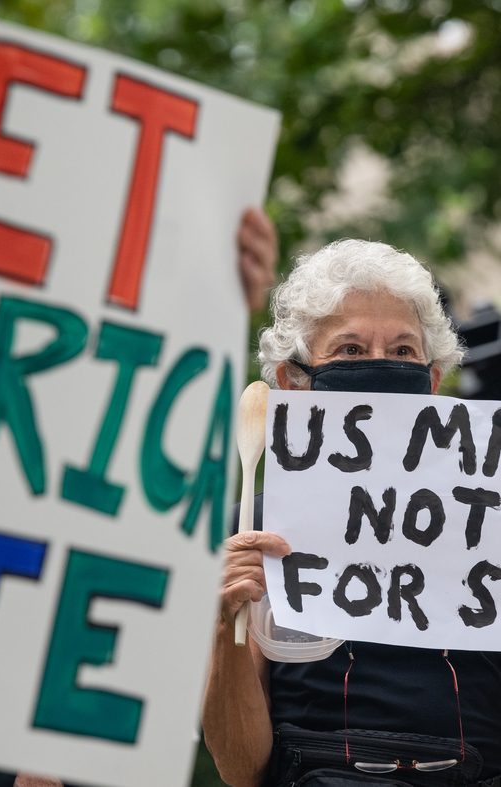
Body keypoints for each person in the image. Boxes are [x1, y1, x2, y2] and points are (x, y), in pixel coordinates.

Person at [202, 238, 501, 787]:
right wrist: (225, 626)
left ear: (433, 381)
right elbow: (242, 770)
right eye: (351, 350)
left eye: (403, 351)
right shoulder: (251, 532)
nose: (381, 366)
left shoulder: (488, 518)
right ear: (292, 382)